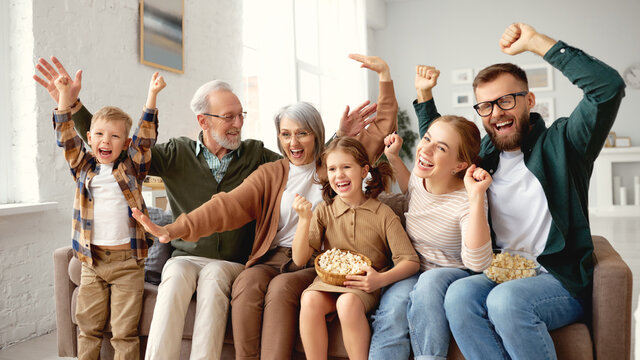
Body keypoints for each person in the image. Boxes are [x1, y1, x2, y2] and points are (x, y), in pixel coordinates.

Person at [34, 58, 374, 360]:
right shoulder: (175, 153)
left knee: (212, 280)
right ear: (203, 119)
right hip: (185, 254)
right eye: (228, 117)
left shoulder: (258, 156)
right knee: (175, 276)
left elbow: (304, 162)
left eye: (241, 115)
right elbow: (114, 147)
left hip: (231, 262)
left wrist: (337, 138)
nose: (238, 123)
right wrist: (72, 106)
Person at [131, 54, 398, 360]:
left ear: (316, 135)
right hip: (272, 256)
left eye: (302, 133)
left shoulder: (335, 166)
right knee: (246, 282)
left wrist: (385, 77)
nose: (293, 142)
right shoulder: (273, 171)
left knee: (281, 289)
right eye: (285, 135)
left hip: (314, 259)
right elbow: (226, 205)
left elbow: (381, 128)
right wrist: (172, 229)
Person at [416, 23, 625, 360]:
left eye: (506, 101)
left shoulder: (565, 143)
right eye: (485, 106)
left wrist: (535, 43)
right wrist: (424, 96)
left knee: (506, 300)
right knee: (458, 296)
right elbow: (446, 148)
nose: (496, 113)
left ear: (529, 100)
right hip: (501, 270)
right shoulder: (483, 156)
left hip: (556, 279)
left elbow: (608, 88)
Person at [368, 64, 493, 360]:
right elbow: (411, 192)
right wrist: (393, 157)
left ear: (459, 165)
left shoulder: (468, 199)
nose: (426, 150)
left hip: (452, 273)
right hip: (414, 267)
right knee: (394, 306)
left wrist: (477, 199)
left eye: (440, 148)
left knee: (430, 283)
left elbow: (477, 263)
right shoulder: (422, 178)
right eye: (427, 140)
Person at [52, 71, 164, 359]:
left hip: (128, 264)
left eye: (115, 136)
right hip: (92, 262)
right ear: (89, 138)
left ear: (124, 144)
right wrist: (65, 97)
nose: (106, 140)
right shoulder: (83, 167)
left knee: (124, 332)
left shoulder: (131, 168)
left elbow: (145, 139)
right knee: (88, 328)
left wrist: (152, 96)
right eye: (99, 134)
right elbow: (66, 139)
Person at [291, 137, 420, 360]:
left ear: (363, 171)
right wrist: (304, 220)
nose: (338, 175)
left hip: (365, 285)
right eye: (332, 169)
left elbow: (411, 261)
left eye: (346, 167)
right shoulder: (324, 211)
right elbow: (299, 258)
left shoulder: (383, 214)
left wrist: (380, 280)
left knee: (347, 301)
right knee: (309, 299)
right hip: (328, 282)